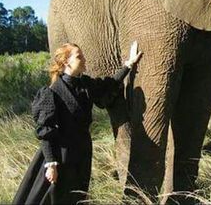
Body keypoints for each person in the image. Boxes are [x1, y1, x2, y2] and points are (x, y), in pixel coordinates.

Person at [13, 41, 142, 205]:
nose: (84, 59)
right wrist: (51, 164)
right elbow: (46, 132)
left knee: (77, 197)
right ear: (66, 62)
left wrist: (129, 64)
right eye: (79, 56)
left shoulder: (86, 85)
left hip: (82, 152)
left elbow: (107, 86)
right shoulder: (51, 92)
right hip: (60, 156)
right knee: (53, 198)